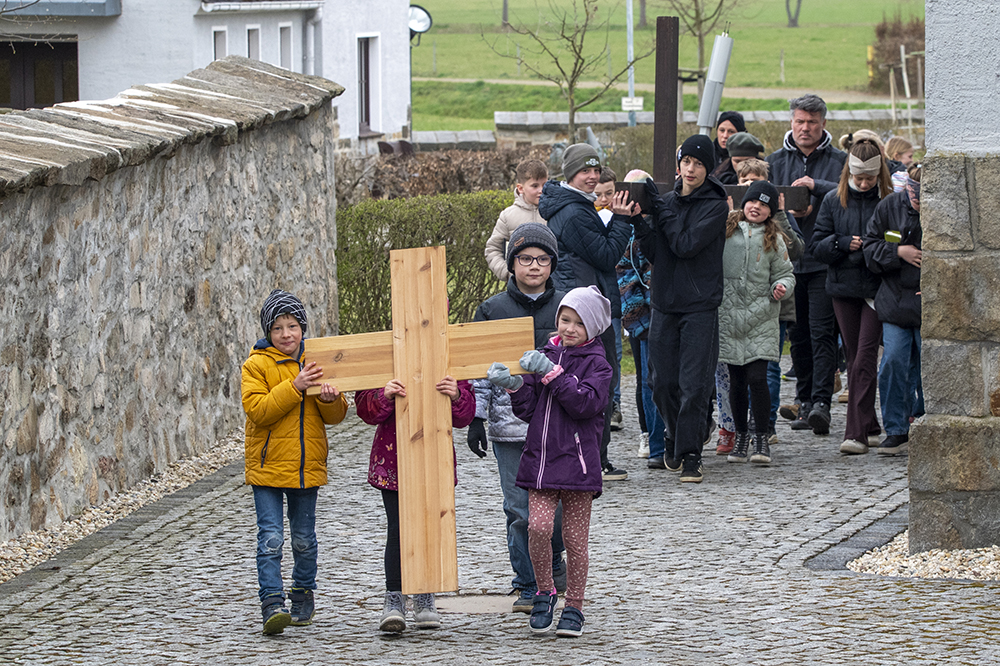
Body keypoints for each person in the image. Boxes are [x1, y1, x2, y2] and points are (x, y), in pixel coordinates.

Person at [486, 285, 613, 638]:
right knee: (538, 527)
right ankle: (545, 591)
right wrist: (514, 386)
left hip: (578, 467)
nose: (569, 328)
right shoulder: (545, 354)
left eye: (579, 323)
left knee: (574, 540)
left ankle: (575, 606)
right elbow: (530, 409)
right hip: (541, 463)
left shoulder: (598, 365)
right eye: (565, 319)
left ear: (593, 328)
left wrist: (553, 374)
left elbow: (584, 404)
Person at [468, 222, 568, 613]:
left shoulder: (567, 308)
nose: (534, 266)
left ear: (552, 264)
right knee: (519, 510)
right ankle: (527, 583)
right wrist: (477, 417)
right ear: (511, 264)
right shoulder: (492, 310)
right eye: (525, 259)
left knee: (556, 510)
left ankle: (553, 557)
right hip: (509, 426)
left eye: (542, 259)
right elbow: (478, 369)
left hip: (556, 423)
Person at [619, 134, 729, 483]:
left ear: (708, 168)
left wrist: (660, 209)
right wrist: (640, 222)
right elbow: (658, 251)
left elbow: (684, 244)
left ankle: (691, 453)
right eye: (686, 162)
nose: (691, 169)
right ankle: (673, 432)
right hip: (665, 302)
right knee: (661, 382)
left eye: (698, 163)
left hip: (700, 304)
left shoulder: (716, 206)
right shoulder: (666, 202)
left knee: (694, 384)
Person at [241, 289, 350, 635]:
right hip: (267, 468)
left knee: (304, 538)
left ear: (302, 328)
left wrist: (331, 400)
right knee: (270, 538)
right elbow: (258, 411)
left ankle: (303, 592)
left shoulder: (317, 362)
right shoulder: (256, 365)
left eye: (292, 326)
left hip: (306, 467)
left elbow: (335, 416)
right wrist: (295, 385)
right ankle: (272, 602)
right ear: (267, 332)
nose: (286, 334)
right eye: (277, 328)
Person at [540, 143, 632, 481]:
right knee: (597, 381)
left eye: (596, 170)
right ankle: (596, 460)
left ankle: (589, 456)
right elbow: (606, 255)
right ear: (571, 174)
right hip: (585, 310)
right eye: (585, 171)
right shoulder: (575, 212)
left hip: (580, 303)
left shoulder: (574, 204)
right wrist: (622, 220)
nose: (592, 176)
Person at [356, 374, 475, 633]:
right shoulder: (382, 362)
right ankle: (394, 596)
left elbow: (464, 417)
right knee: (398, 529)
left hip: (435, 456)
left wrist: (456, 395)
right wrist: (384, 395)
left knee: (429, 528)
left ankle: (424, 592)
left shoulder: (446, 360)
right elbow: (366, 409)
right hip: (393, 458)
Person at [766, 94, 847, 437]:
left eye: (812, 122)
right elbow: (760, 201)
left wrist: (816, 189)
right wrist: (786, 211)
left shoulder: (839, 160)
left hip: (823, 260)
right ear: (791, 122)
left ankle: (821, 403)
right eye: (800, 121)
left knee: (821, 333)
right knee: (797, 336)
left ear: (823, 124)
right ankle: (802, 400)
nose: (805, 128)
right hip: (786, 262)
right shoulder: (775, 161)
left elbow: (849, 193)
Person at [810, 136, 892, 455]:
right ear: (849, 173)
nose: (864, 183)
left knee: (865, 357)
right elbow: (817, 245)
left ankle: (855, 432)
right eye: (859, 177)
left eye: (870, 178)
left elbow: (895, 241)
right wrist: (842, 244)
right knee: (855, 356)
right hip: (843, 288)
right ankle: (870, 425)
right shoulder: (833, 200)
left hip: (875, 289)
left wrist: (873, 249)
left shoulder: (888, 201)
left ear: (879, 174)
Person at [719, 181, 795, 464]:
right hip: (729, 316)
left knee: (757, 378)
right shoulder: (727, 231)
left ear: (770, 211)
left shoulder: (774, 239)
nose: (756, 208)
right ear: (744, 203)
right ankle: (741, 435)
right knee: (737, 381)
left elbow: (786, 273)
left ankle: (761, 436)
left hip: (761, 317)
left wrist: (781, 287)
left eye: (763, 205)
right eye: (753, 202)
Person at [734, 158, 805, 445]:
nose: (752, 189)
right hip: (738, 308)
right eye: (746, 183)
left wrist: (782, 214)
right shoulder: (734, 221)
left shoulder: (778, 219)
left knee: (767, 369)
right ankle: (739, 427)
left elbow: (795, 250)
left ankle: (765, 424)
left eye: (757, 183)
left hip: (772, 307)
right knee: (739, 371)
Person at [864, 164, 924, 456]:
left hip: (928, 302)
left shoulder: (942, 207)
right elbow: (870, 249)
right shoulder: (889, 206)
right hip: (895, 299)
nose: (918, 202)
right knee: (893, 362)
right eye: (915, 195)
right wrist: (898, 252)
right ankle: (896, 428)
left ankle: (922, 419)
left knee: (927, 367)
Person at [615, 168, 667, 465]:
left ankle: (668, 438)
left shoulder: (662, 221)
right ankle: (652, 439)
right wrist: (637, 308)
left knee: (663, 378)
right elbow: (622, 267)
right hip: (637, 313)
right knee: (646, 379)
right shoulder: (622, 226)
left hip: (664, 307)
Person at [485, 159, 548, 282]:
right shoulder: (508, 216)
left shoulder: (555, 213)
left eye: (544, 184)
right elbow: (493, 249)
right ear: (520, 188)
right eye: (535, 186)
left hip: (553, 286)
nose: (541, 190)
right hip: (518, 287)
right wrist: (508, 273)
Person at [595, 166, 624, 430]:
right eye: (598, 194)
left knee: (614, 352)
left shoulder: (621, 218)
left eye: (609, 193)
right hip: (597, 294)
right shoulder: (589, 219)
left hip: (615, 296)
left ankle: (614, 402)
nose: (604, 200)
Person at [712, 110, 746, 182]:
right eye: (722, 130)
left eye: (731, 131)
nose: (725, 136)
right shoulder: (708, 153)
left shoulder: (747, 155)